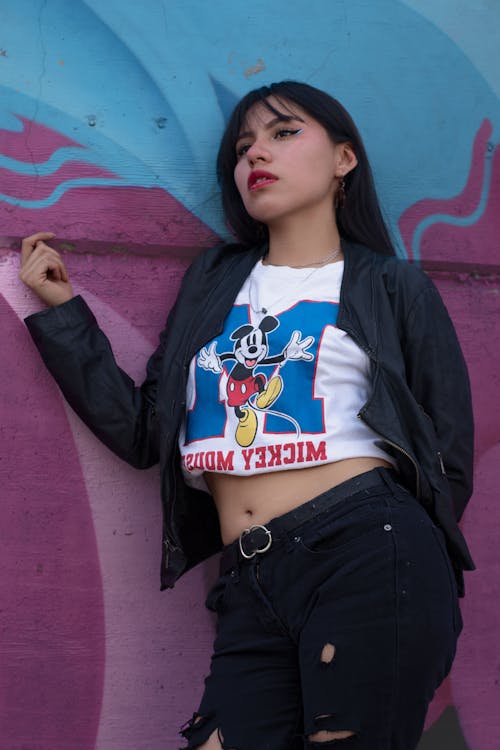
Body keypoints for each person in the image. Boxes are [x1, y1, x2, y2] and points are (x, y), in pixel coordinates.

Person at [19, 81, 475, 750]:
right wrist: (63, 316)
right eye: (243, 146)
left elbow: (446, 456)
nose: (256, 152)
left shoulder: (389, 285)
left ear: (345, 159)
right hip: (249, 578)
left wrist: (400, 553)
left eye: (284, 133)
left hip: (366, 554)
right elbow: (147, 432)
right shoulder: (215, 282)